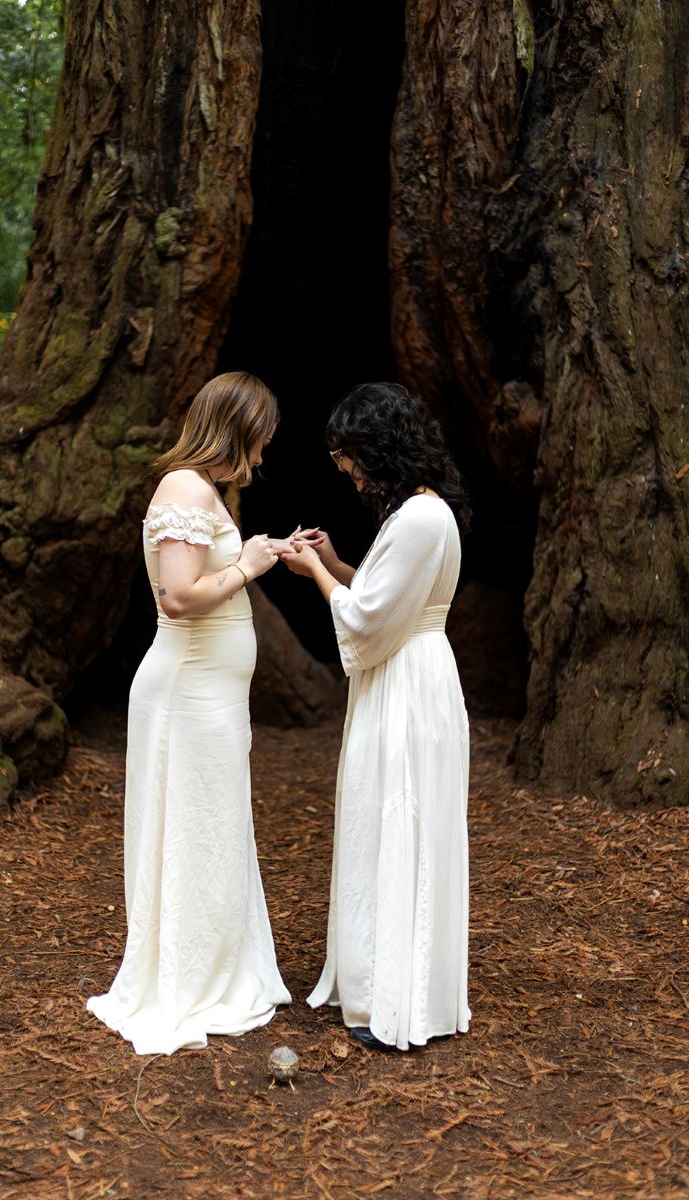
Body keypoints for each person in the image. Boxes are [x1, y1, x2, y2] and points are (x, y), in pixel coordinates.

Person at [87, 371, 293, 1055]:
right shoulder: (183, 487)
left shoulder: (206, 493)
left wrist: (262, 554)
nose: (262, 456)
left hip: (212, 695)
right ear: (234, 429)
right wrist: (251, 565)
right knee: (192, 826)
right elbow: (178, 596)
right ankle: (184, 978)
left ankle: (215, 964)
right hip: (186, 693)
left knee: (213, 825)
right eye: (259, 440)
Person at [283, 381, 471, 1052]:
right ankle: (391, 981)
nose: (350, 473)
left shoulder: (419, 520)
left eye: (352, 458)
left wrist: (317, 574)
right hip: (415, 672)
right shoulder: (424, 513)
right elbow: (389, 597)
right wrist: (333, 563)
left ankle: (391, 997)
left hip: (407, 685)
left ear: (379, 450)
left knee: (394, 818)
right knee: (396, 819)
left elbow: (367, 623)